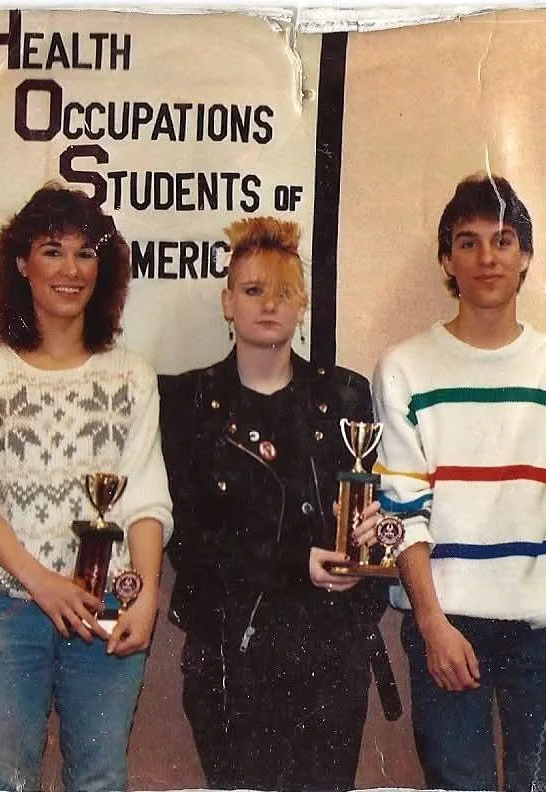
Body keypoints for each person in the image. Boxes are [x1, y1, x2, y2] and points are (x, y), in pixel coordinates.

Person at [373, 174, 546, 792]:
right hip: (448, 624)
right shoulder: (404, 369)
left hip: (545, 632)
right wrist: (431, 623)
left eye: (503, 241)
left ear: (526, 257)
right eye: (469, 242)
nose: (487, 257)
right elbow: (403, 509)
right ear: (446, 261)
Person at [0, 183, 173, 792]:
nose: (70, 269)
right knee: (7, 780)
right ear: (21, 264)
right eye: (52, 250)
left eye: (85, 253)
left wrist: (144, 595)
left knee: (100, 778)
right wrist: (41, 583)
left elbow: (146, 500)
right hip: (7, 610)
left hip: (107, 611)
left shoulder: (132, 375)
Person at [159, 217, 397, 792]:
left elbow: (370, 504)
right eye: (252, 290)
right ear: (227, 303)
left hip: (330, 654)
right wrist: (296, 561)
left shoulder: (345, 394)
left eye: (284, 292)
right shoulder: (189, 401)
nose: (269, 305)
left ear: (303, 305)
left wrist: (370, 532)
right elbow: (187, 540)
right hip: (230, 655)